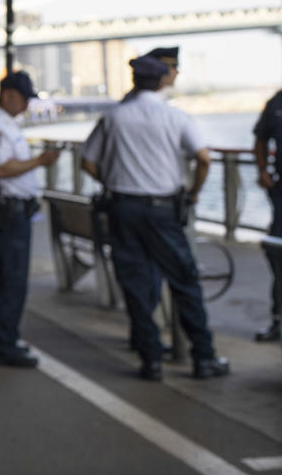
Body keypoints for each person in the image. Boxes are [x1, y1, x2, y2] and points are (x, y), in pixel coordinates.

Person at [81, 55, 229, 381]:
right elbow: (203, 159)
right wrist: (192, 192)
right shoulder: (175, 117)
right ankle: (203, 357)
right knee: (185, 280)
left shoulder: (114, 117)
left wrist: (114, 181)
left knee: (135, 284)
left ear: (134, 81)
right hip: (164, 210)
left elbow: (88, 163)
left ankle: (151, 360)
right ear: (162, 81)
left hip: (123, 209)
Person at [0, 71, 59, 368]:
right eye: (24, 99)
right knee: (9, 279)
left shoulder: (7, 125)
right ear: (8, 94)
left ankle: (4, 338)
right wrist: (40, 160)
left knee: (11, 278)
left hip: (15, 212)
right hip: (6, 213)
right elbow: (0, 169)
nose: (26, 105)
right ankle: (2, 343)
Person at [253, 89, 282, 341]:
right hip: (281, 193)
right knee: (277, 254)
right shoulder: (277, 102)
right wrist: (263, 171)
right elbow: (260, 139)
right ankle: (279, 320)